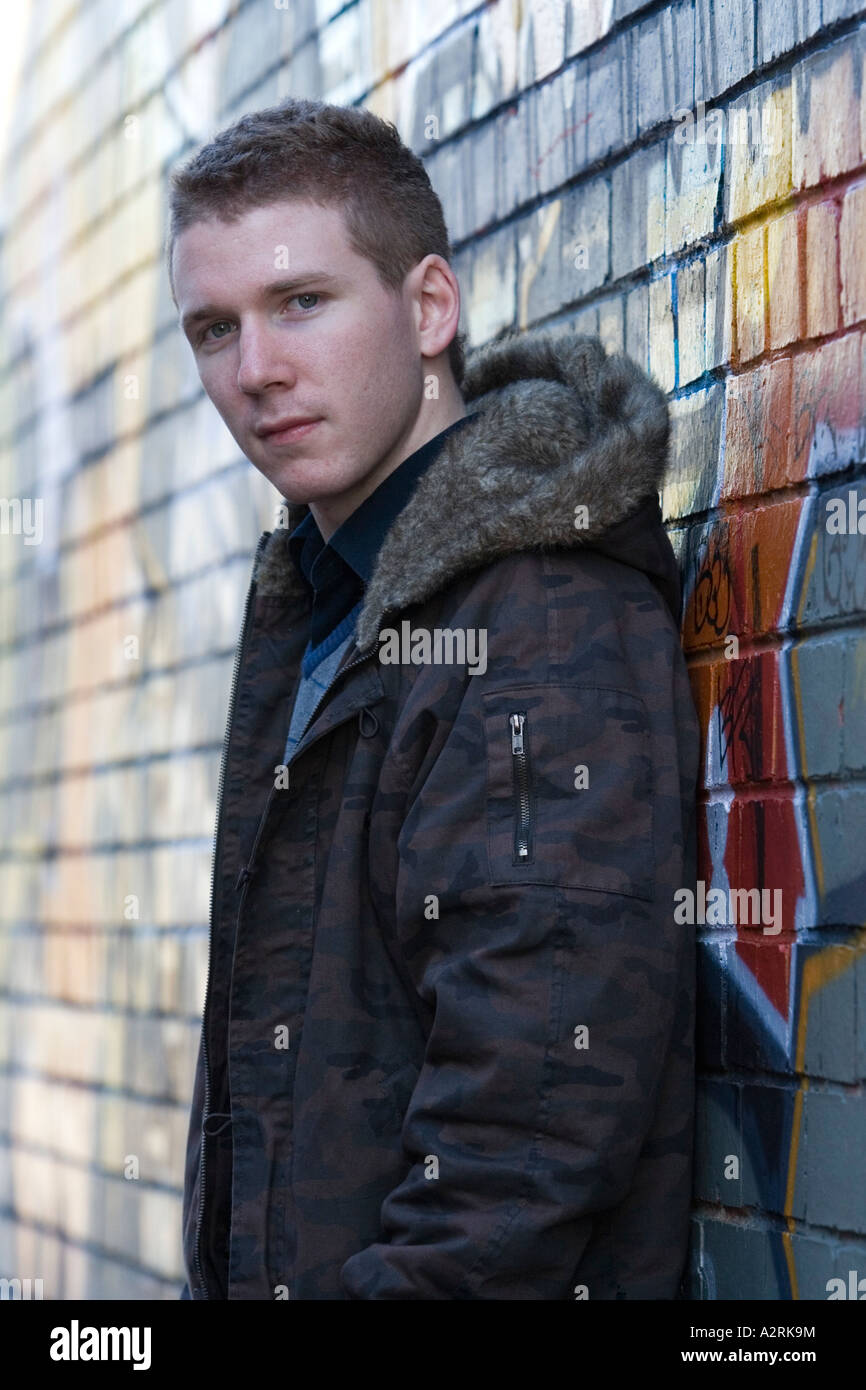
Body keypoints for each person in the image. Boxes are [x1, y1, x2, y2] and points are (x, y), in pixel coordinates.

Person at [168, 97, 700, 1300]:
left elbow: (527, 1138)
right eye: (213, 328)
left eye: (301, 302)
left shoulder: (538, 615)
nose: (255, 371)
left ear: (426, 309)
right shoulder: (324, 604)